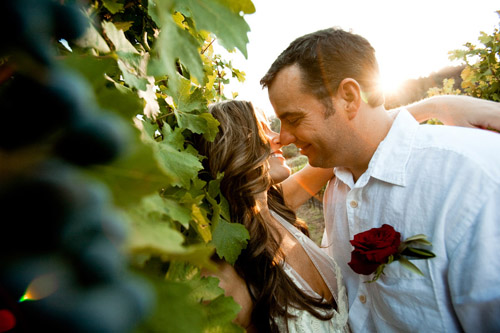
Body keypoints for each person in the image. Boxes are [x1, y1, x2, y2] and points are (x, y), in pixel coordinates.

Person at [260, 27, 500, 332]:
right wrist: (434, 106)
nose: (283, 138)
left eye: (293, 119)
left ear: (349, 97)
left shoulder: (470, 181)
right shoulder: (337, 185)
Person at [196, 99, 350, 332]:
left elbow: (348, 144)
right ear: (230, 147)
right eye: (260, 130)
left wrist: (423, 110)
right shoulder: (221, 284)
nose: (279, 137)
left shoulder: (277, 205)